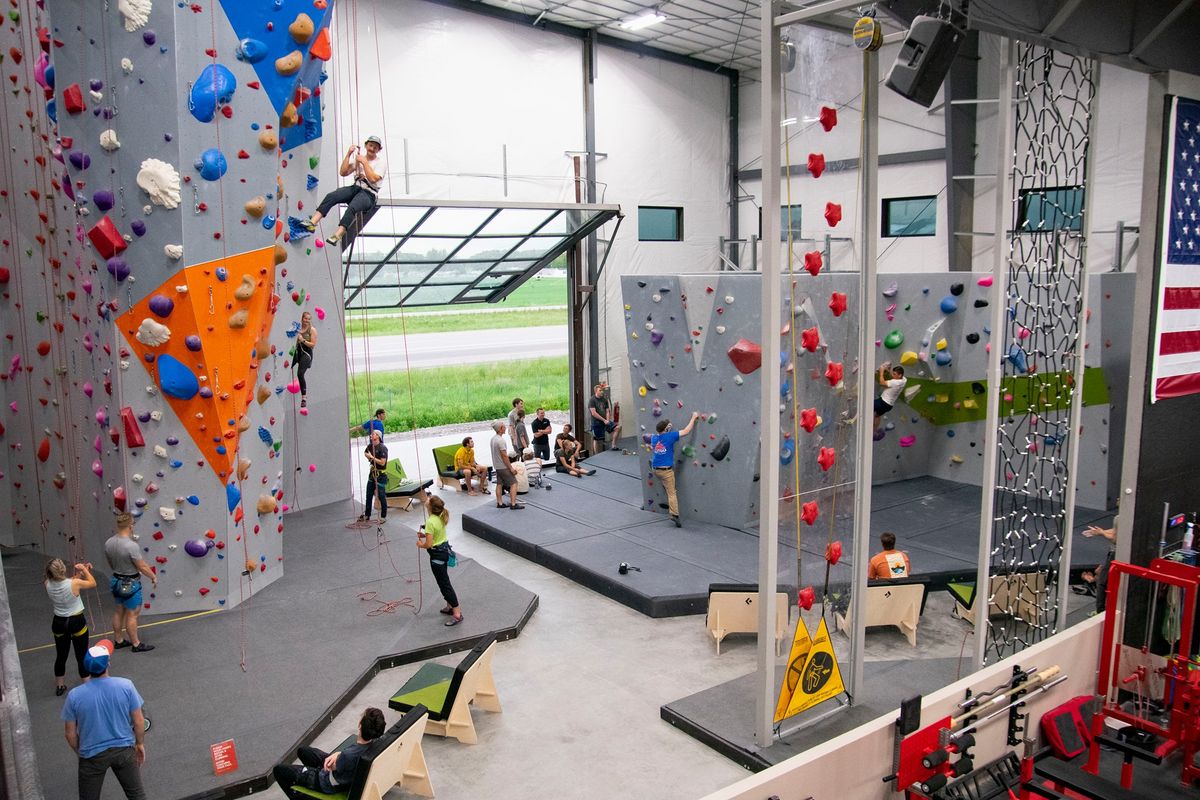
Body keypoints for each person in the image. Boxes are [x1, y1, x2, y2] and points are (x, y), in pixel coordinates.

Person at [62, 640, 148, 800]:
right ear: (107, 664)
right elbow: (139, 721)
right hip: (124, 750)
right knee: (137, 796)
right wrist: (140, 743)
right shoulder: (126, 686)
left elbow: (70, 734)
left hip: (92, 755)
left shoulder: (74, 696)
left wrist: (81, 751)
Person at [273, 707, 386, 797]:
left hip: (328, 781)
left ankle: (300, 794)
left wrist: (337, 758)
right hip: (345, 771)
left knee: (279, 770)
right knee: (303, 751)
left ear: (360, 726)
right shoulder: (373, 744)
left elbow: (331, 766)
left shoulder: (349, 755)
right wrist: (337, 755)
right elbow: (342, 758)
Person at [300, 136, 386, 247]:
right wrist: (349, 154)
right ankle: (313, 222)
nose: (372, 148)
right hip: (356, 188)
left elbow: (373, 178)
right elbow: (343, 172)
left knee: (353, 207)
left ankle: (338, 234)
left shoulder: (380, 163)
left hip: (369, 194)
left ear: (379, 150)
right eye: (370, 145)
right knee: (332, 196)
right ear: (366, 145)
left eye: (375, 147)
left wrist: (364, 163)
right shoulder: (359, 159)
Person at [45, 558, 96, 695]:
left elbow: (68, 582)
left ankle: (60, 686)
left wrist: (80, 573)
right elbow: (92, 583)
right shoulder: (74, 583)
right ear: (63, 570)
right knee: (81, 655)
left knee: (61, 655)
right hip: (76, 621)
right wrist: (85, 570)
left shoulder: (47, 584)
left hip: (59, 623)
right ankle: (87, 685)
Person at [105, 514, 155, 653]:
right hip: (131, 583)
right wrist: (153, 576)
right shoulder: (131, 546)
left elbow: (110, 562)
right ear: (131, 526)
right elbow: (142, 566)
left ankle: (119, 640)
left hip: (116, 580)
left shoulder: (109, 542)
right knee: (132, 614)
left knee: (119, 610)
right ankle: (136, 644)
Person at [418, 496, 465, 626]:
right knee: (445, 581)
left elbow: (428, 544)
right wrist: (425, 534)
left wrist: (420, 544)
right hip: (444, 552)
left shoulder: (430, 522)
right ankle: (450, 606)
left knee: (444, 585)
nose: (426, 500)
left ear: (430, 507)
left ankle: (457, 613)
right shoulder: (440, 517)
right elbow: (435, 534)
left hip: (437, 556)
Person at [651, 412, 699, 528]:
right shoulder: (670, 436)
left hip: (656, 470)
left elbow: (661, 437)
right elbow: (686, 431)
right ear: (667, 429)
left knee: (666, 485)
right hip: (666, 471)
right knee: (672, 493)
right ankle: (674, 514)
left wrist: (666, 428)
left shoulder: (654, 438)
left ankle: (666, 487)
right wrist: (693, 417)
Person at [1079, 520, 1117, 613]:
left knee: (1102, 582)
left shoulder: (1119, 517)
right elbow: (1117, 530)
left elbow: (1116, 539)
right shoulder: (1123, 517)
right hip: (1114, 553)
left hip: (1115, 554)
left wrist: (1102, 533)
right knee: (1101, 577)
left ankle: (1100, 611)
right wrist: (1099, 532)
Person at [490, 421, 524, 510]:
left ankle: (499, 503)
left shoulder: (493, 439)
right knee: (514, 483)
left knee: (499, 484)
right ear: (501, 429)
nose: (506, 428)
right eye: (504, 426)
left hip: (497, 466)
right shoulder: (501, 441)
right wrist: (511, 468)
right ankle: (513, 504)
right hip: (503, 467)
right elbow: (504, 456)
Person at [359, 430, 389, 523]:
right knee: (368, 495)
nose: (371, 435)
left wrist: (372, 458)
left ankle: (383, 516)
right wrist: (368, 456)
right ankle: (367, 515)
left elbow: (383, 462)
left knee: (381, 496)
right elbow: (365, 453)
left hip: (381, 475)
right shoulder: (369, 446)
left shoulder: (383, 448)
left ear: (378, 436)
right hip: (372, 474)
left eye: (373, 434)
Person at [873, 363, 907, 438]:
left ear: (900, 375)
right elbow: (894, 377)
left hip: (883, 402)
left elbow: (882, 383)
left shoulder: (895, 382)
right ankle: (874, 430)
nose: (892, 375)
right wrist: (888, 371)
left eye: (894, 374)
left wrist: (881, 372)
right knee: (877, 415)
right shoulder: (904, 380)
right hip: (889, 405)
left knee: (869, 406)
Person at [588, 383, 621, 453]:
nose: (602, 392)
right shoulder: (592, 400)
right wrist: (604, 420)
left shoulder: (604, 400)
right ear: (596, 391)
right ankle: (596, 454)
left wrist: (607, 420)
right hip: (596, 422)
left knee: (617, 428)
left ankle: (613, 445)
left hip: (605, 421)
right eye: (600, 390)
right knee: (596, 439)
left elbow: (607, 411)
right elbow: (593, 413)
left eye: (602, 390)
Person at [294, 311, 317, 409]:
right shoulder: (297, 328)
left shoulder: (312, 330)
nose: (307, 320)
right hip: (298, 352)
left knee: (300, 374)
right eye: (305, 318)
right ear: (302, 318)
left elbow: (313, 344)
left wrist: (302, 340)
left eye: (309, 319)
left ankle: (304, 397)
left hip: (307, 353)